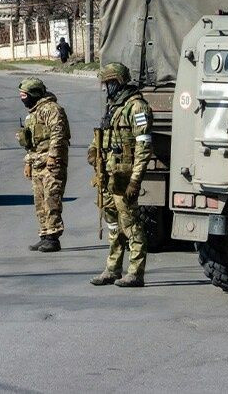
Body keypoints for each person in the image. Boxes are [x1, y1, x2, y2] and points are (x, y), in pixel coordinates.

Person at [89, 63, 153, 288]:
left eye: (108, 83)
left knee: (130, 223)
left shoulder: (137, 108)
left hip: (124, 177)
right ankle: (113, 268)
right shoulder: (113, 107)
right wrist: (93, 152)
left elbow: (144, 147)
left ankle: (136, 272)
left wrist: (135, 180)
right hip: (108, 175)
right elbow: (103, 137)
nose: (106, 88)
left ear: (117, 82)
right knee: (113, 224)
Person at [16, 77, 71, 252]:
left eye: (24, 95)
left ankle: (53, 237)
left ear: (34, 94)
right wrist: (28, 163)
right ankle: (44, 234)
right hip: (37, 163)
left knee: (51, 198)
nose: (22, 99)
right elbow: (31, 143)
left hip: (51, 163)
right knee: (39, 200)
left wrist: (53, 158)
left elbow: (58, 135)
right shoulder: (33, 114)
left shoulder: (52, 110)